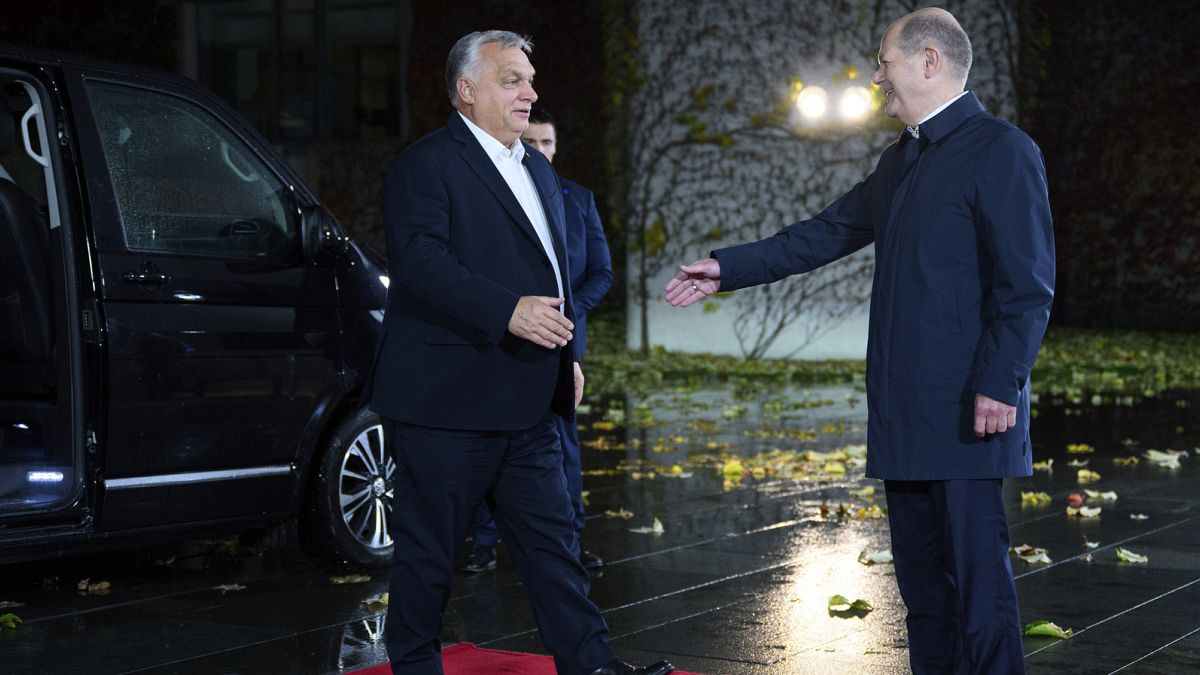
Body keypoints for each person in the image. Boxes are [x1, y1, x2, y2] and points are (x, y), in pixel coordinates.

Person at [665, 8, 1053, 674]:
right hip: (903, 415)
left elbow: (1029, 285)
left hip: (969, 414)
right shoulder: (899, 159)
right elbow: (824, 233)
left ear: (930, 61)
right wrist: (727, 267)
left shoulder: (1002, 149)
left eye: (885, 62)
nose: (877, 78)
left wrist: (999, 381)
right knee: (924, 595)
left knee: (980, 591)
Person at [369, 30, 672, 675]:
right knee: (430, 552)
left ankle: (592, 666)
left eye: (530, 80)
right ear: (467, 90)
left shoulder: (537, 166)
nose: (530, 92)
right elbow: (420, 263)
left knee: (553, 547)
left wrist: (567, 356)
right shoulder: (424, 164)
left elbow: (556, 273)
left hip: (531, 395)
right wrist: (506, 310)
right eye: (511, 79)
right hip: (446, 400)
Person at [461, 106, 613, 574]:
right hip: (505, 336)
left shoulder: (579, 199)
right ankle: (484, 540)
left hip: (563, 339)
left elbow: (601, 272)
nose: (541, 150)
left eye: (548, 142)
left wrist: (563, 314)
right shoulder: (496, 193)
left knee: (563, 444)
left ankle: (571, 538)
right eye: (534, 142)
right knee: (493, 437)